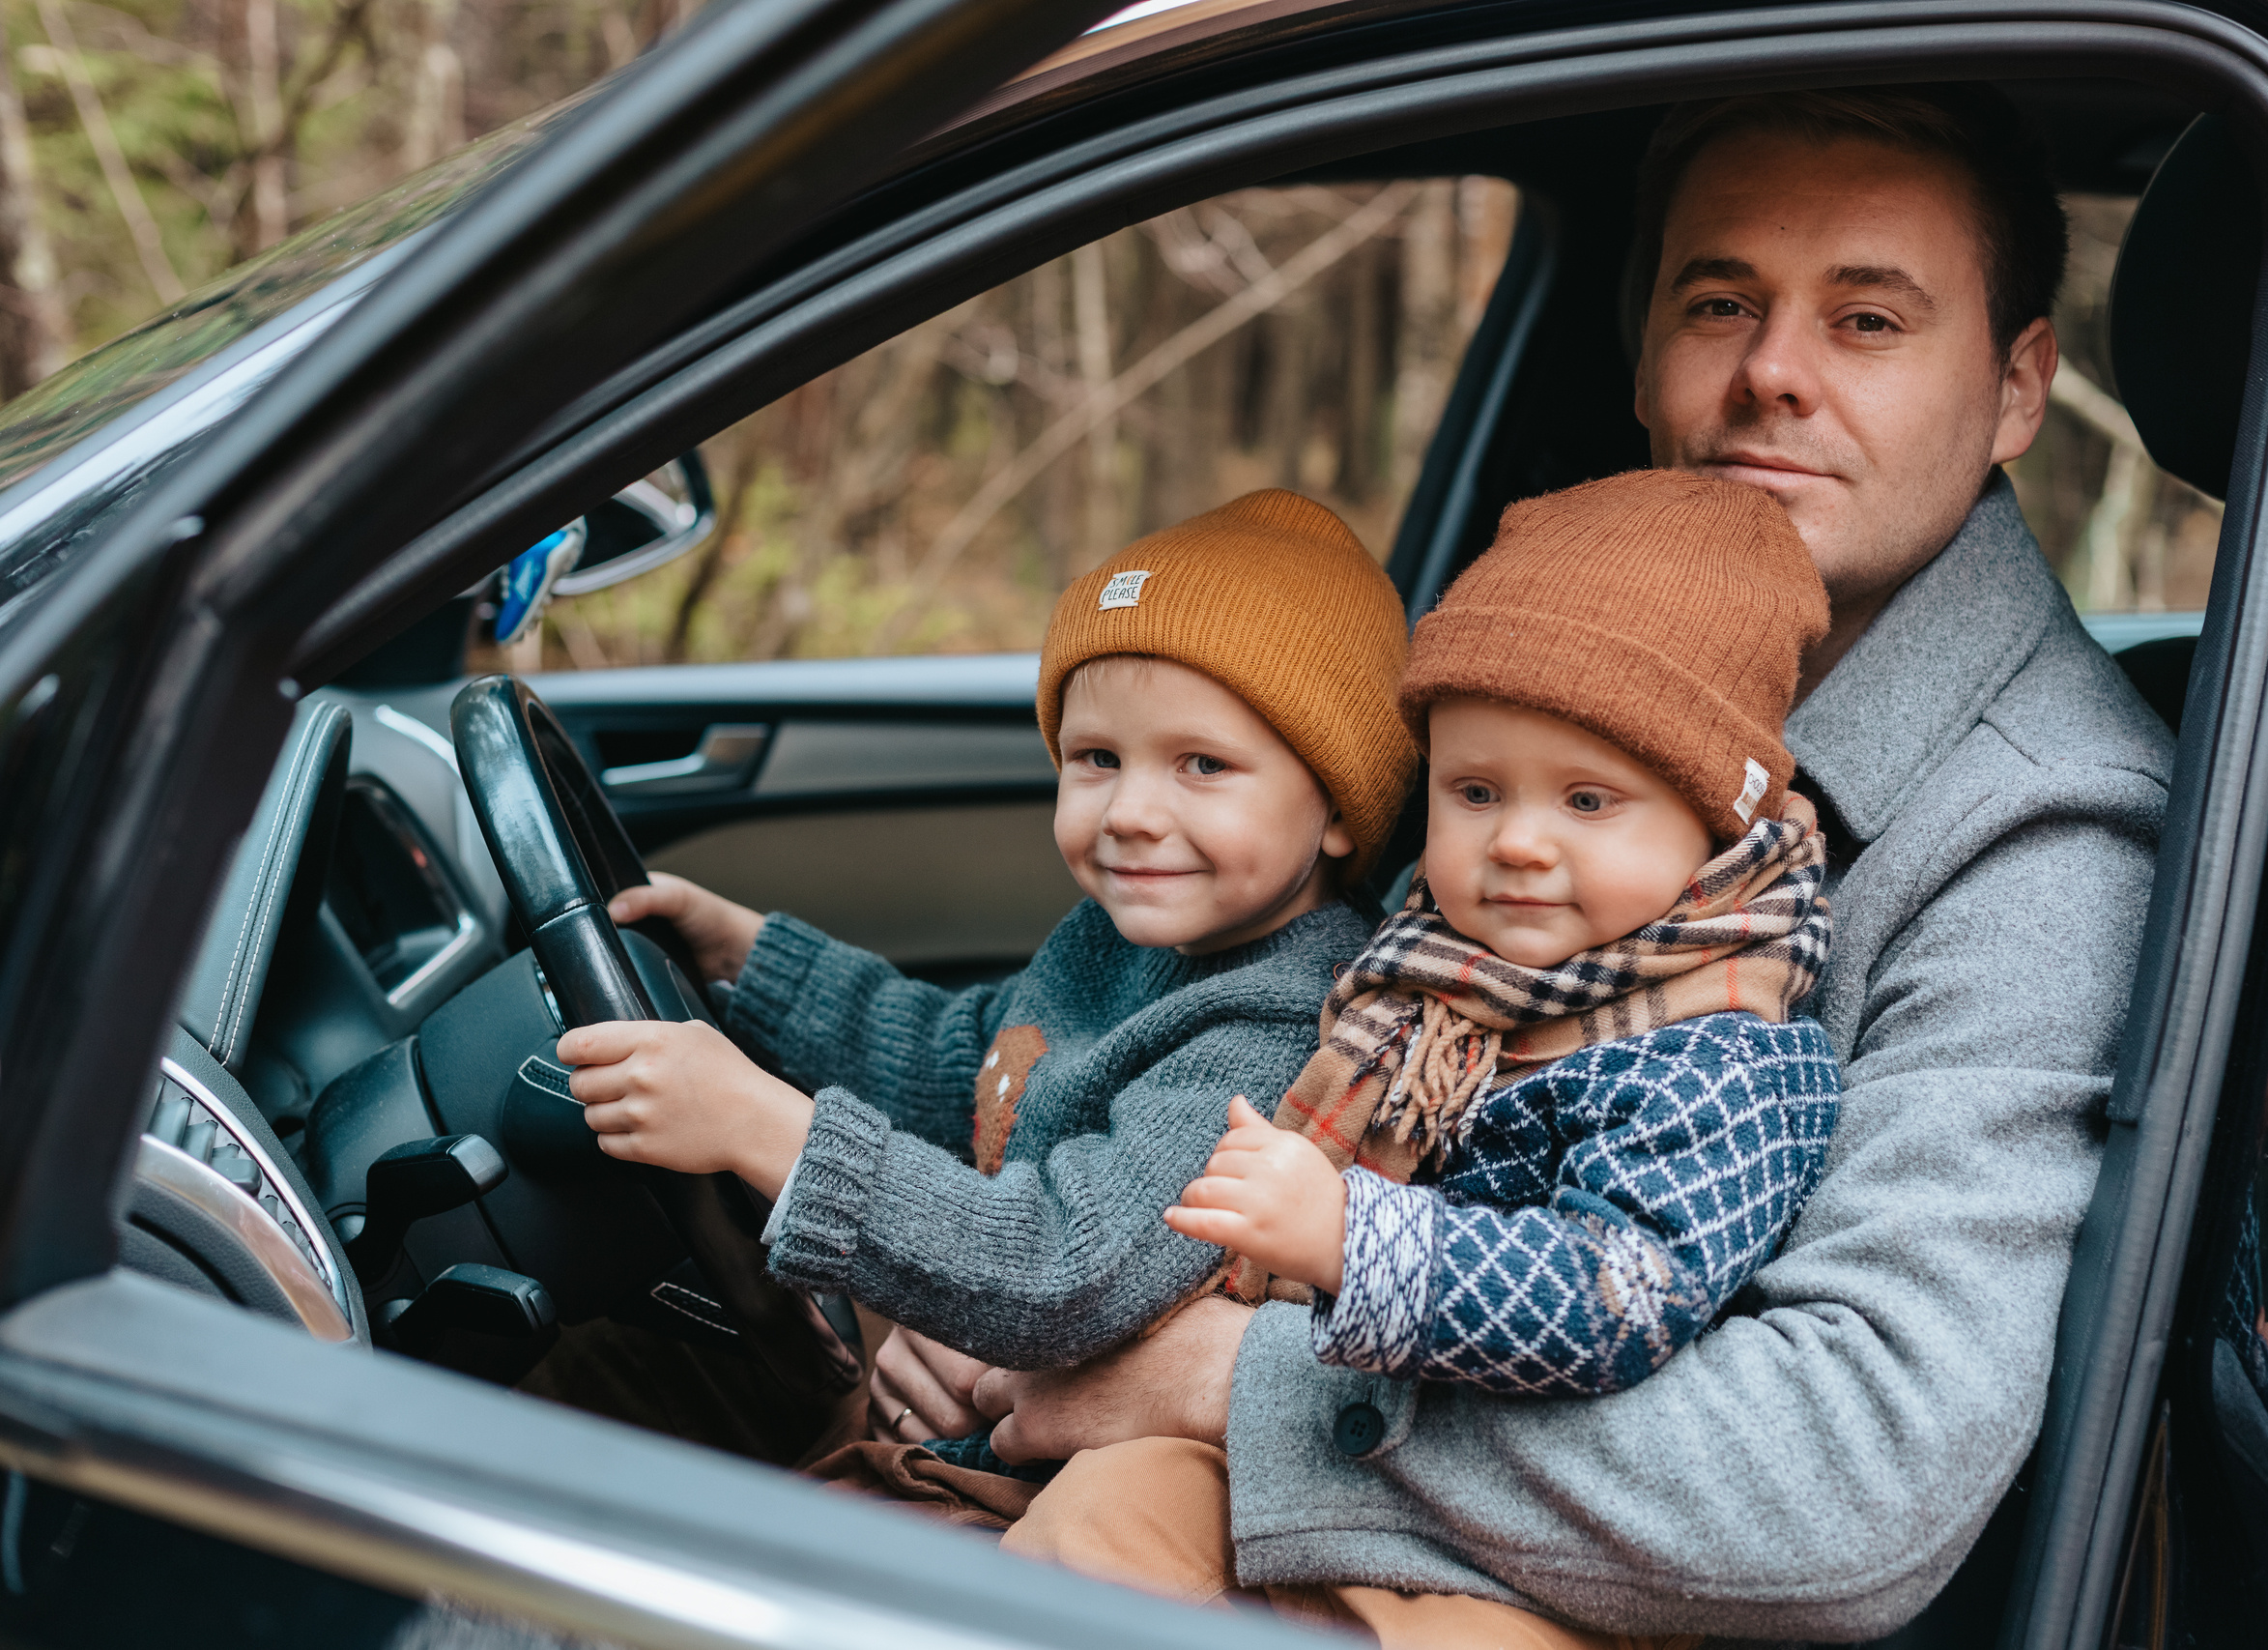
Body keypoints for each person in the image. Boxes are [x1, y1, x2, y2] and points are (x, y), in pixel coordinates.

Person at [965, 84, 2179, 1643]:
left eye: (1867, 319)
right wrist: (1018, 1279)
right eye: (1719, 301)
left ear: (2017, 388)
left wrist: (1219, 1385)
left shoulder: (2043, 830)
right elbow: (1276, 1037)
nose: (1771, 376)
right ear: (1646, 351)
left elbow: (1847, 1480)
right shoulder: (1547, 668)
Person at [1010, 471, 1843, 1641]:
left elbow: (1622, 1295)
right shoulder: (1414, 981)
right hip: (1339, 1464)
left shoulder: (1718, 1056)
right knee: (1096, 1516)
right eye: (1473, 790)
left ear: (1718, 826)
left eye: (1589, 801)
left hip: (1533, 1552)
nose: (1515, 842)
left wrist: (1355, 1240)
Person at [535, 489, 1414, 1491]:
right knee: (590, 1363)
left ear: (1340, 807)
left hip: (1018, 1485)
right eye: (1095, 759)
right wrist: (749, 960)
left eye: (1201, 765)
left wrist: (762, 1129)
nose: (1128, 811)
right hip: (941, 1410)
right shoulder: (1121, 942)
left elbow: (1061, 1271)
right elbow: (975, 1066)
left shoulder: (1272, 1026)